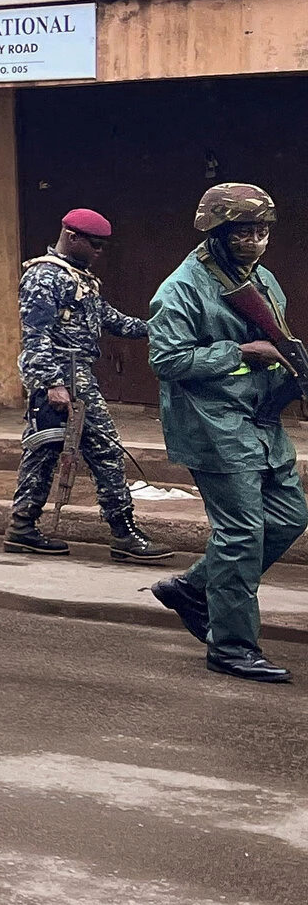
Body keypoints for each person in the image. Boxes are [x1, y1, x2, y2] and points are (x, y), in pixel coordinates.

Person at [146, 183, 307, 684]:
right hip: (213, 425)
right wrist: (240, 354)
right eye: (242, 232)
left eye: (261, 231)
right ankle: (232, 646)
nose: (255, 241)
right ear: (216, 232)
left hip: (261, 421)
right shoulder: (182, 289)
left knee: (289, 516)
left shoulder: (262, 280)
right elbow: (166, 359)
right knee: (241, 533)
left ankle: (194, 589)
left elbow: (275, 339)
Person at [5, 210, 169, 561]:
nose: (99, 251)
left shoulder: (79, 278)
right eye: (94, 244)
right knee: (106, 451)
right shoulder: (44, 276)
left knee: (44, 452)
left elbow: (109, 319)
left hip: (75, 375)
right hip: (65, 377)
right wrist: (52, 383)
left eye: (102, 246)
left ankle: (22, 528)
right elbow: (36, 335)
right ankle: (123, 533)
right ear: (71, 235)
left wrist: (158, 329)